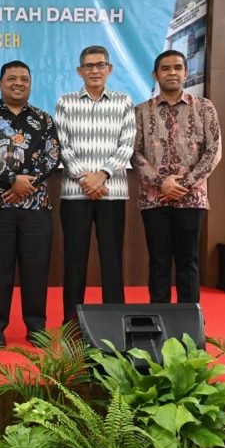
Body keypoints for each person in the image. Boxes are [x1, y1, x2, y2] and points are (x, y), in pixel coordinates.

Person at [0, 60, 60, 348]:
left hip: (36, 206)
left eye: (24, 78)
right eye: (12, 78)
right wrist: (12, 180)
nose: (18, 83)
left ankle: (35, 326)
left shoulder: (44, 120)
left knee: (36, 268)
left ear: (30, 84)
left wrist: (26, 185)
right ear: (0, 83)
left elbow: (52, 156)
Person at [132, 50, 222, 304]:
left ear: (186, 72)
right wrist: (161, 182)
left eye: (177, 67)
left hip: (191, 198)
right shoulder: (141, 111)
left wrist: (185, 184)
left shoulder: (204, 108)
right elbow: (134, 153)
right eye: (165, 68)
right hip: (154, 199)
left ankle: (189, 326)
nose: (172, 72)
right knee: (159, 261)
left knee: (188, 262)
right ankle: (159, 323)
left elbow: (214, 150)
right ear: (155, 74)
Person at [54, 45, 136, 323]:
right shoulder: (65, 102)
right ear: (79, 71)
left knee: (111, 261)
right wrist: (85, 178)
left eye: (100, 65)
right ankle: (72, 322)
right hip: (75, 193)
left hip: (112, 191)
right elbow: (62, 145)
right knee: (74, 260)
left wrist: (102, 174)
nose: (94, 70)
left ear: (109, 69)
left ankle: (116, 321)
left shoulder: (123, 101)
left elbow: (127, 144)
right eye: (88, 66)